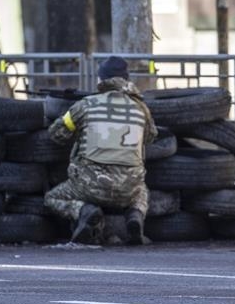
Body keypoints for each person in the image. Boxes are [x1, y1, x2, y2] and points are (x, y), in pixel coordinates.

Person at [44, 56, 158, 245]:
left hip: (89, 187)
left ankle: (84, 210)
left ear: (100, 80)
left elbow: (56, 134)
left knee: (51, 198)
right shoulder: (142, 109)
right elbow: (151, 137)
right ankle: (135, 217)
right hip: (128, 188)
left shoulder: (85, 105)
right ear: (126, 79)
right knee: (141, 192)